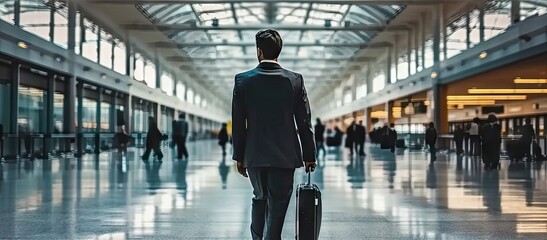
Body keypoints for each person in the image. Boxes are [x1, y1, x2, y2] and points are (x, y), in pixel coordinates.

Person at [231, 29, 316, 240]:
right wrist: (309, 154)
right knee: (278, 204)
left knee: (260, 197)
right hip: (285, 156)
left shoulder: (243, 81)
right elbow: (304, 122)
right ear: (279, 51)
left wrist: (239, 157)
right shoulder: (295, 80)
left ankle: (258, 237)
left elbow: (239, 123)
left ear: (259, 51)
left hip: (255, 155)